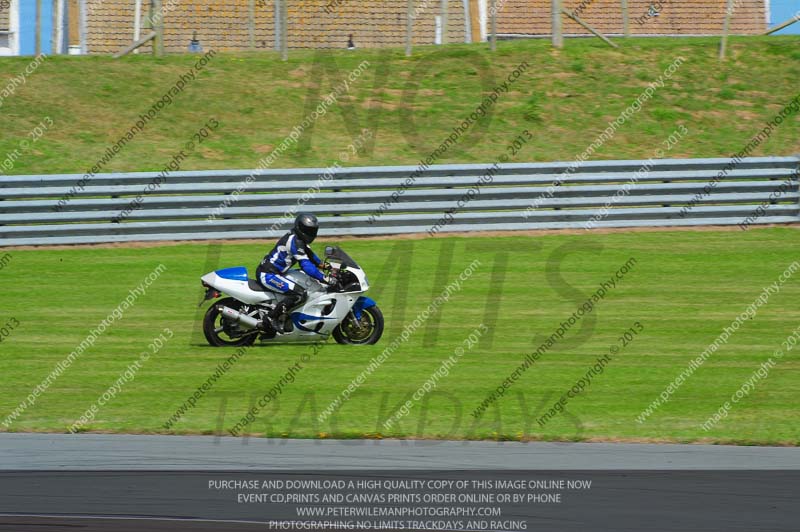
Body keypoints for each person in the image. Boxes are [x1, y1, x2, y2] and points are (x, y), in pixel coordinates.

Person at [256, 213, 333, 332]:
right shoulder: (295, 241)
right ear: (299, 227)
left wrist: (327, 266)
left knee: (303, 282)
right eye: (308, 230)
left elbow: (311, 257)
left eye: (313, 230)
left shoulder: (299, 240)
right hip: (268, 274)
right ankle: (270, 318)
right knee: (299, 294)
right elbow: (306, 265)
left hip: (277, 272)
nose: (310, 233)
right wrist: (324, 278)